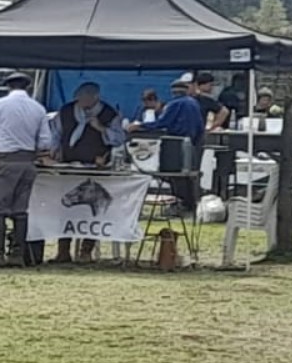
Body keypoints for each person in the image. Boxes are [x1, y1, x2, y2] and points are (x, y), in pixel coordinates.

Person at [0, 72, 54, 268]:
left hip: (6, 161)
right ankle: (17, 254)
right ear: (27, 87)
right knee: (21, 211)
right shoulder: (38, 109)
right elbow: (45, 141)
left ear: (8, 86)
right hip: (27, 163)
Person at [49, 82, 122, 263]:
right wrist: (53, 150)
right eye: (78, 98)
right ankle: (63, 251)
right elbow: (55, 134)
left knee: (92, 210)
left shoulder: (109, 114)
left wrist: (101, 128)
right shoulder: (66, 111)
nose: (80, 102)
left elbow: (119, 139)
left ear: (95, 97)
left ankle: (86, 251)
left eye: (84, 98)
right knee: (65, 207)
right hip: (68, 166)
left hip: (96, 168)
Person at [127, 76, 205, 211]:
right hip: (191, 144)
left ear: (174, 92)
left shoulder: (174, 104)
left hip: (175, 143)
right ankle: (190, 204)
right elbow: (200, 126)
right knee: (187, 175)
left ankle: (178, 203)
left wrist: (140, 126)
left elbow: (162, 123)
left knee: (173, 175)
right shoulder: (194, 103)